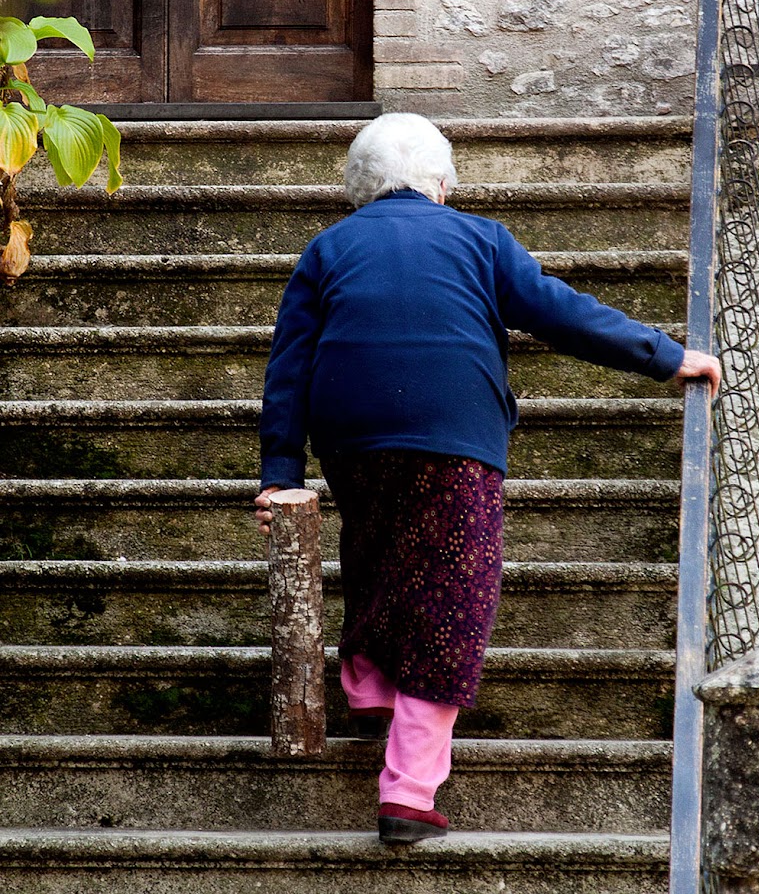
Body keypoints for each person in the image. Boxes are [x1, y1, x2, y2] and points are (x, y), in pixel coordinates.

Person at [255, 112, 720, 844]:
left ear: (360, 190)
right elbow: (561, 313)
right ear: (443, 186)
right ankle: (407, 794)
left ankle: (369, 676)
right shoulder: (480, 238)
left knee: (377, 550)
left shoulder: (328, 246)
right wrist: (664, 354)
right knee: (453, 602)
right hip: (454, 433)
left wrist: (280, 472)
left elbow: (288, 365)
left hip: (351, 435)